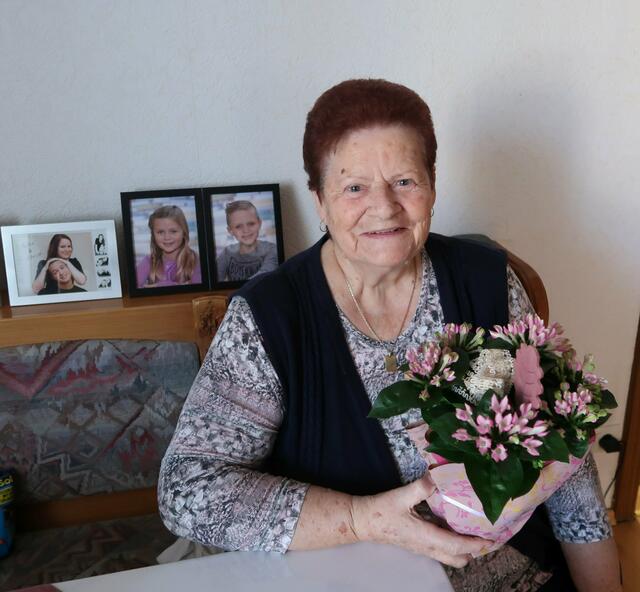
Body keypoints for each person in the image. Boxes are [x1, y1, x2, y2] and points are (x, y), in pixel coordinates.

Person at [158, 80, 621, 591]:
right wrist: (362, 519)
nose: (384, 208)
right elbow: (189, 489)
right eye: (354, 187)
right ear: (318, 199)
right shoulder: (271, 315)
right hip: (350, 577)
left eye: (404, 181)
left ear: (432, 184)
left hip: (508, 573)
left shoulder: (483, 280)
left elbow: (563, 456)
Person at [136, 205, 202, 288]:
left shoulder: (194, 260)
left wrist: (157, 286)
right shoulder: (149, 261)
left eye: (173, 231)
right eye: (160, 232)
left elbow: (199, 291)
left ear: (184, 233)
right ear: (153, 235)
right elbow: (134, 289)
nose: (167, 237)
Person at [215, 200, 279, 281]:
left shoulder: (272, 250)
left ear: (259, 223)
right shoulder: (226, 253)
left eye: (251, 224)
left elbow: (263, 278)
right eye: (238, 226)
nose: (246, 230)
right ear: (230, 231)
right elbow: (215, 280)